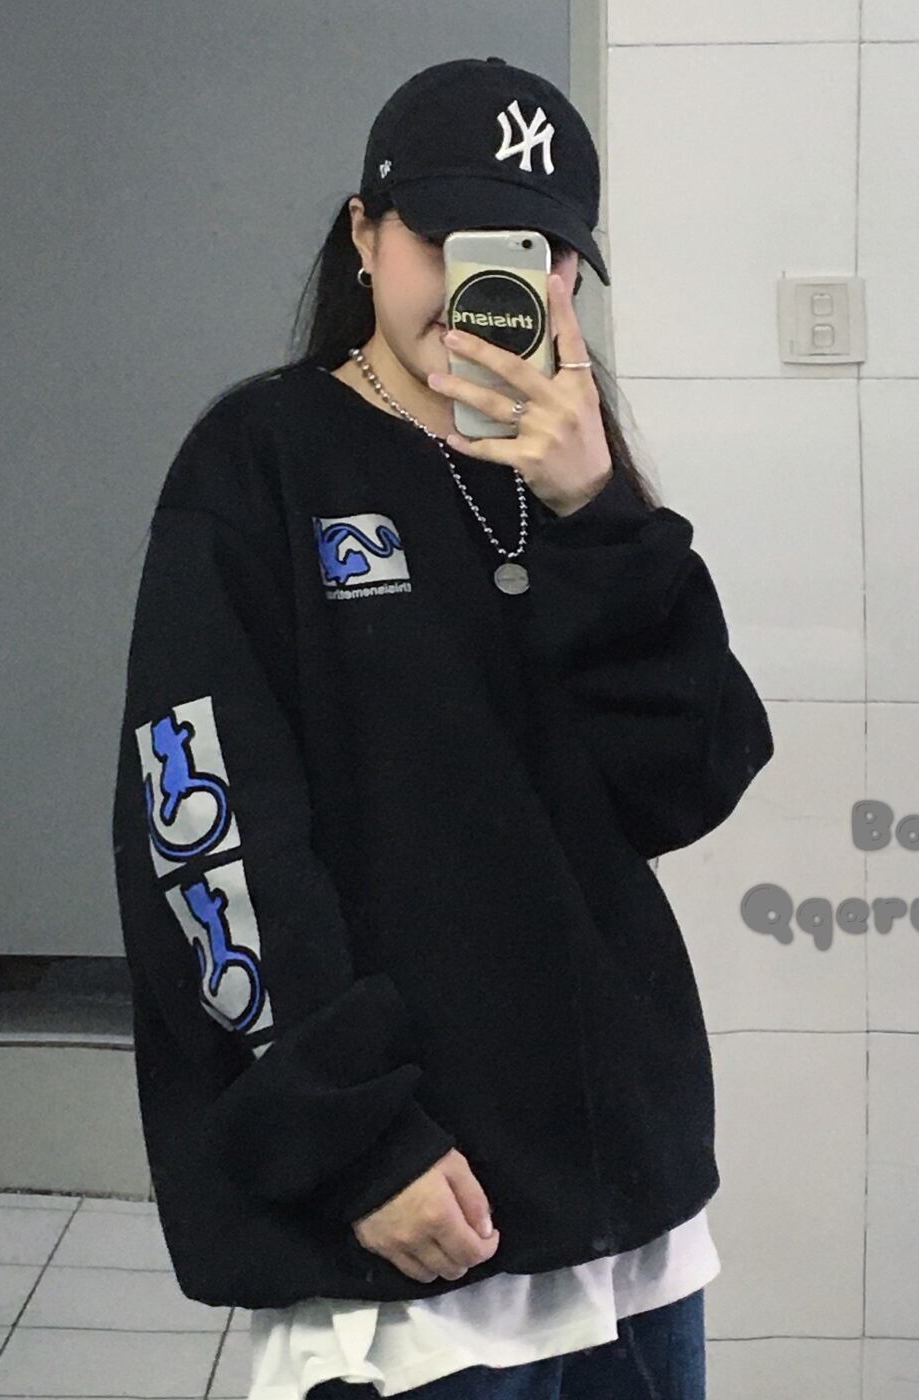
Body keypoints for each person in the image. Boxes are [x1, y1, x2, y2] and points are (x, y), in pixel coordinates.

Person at [110, 55, 774, 1400]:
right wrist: (354, 1138)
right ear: (364, 235)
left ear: (569, 277)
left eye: (533, 253)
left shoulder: (573, 479)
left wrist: (602, 515)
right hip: (419, 1216)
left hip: (627, 1211)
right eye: (446, 241)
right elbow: (208, 834)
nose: (479, 287)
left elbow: (688, 781)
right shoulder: (260, 460)